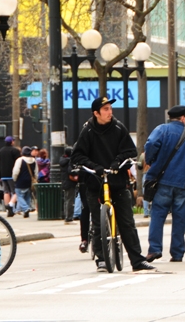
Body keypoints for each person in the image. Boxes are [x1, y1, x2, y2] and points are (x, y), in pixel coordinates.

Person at [70, 96, 155, 273]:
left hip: (118, 181)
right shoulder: (88, 131)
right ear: (96, 113)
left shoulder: (118, 127)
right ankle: (101, 259)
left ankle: (137, 261)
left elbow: (130, 151)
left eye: (110, 108)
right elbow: (77, 156)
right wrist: (95, 167)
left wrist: (118, 162)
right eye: (106, 109)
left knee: (127, 222)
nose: (110, 112)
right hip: (95, 183)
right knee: (98, 223)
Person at [144, 105, 185, 263]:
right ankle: (177, 253)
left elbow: (151, 144)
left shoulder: (162, 130)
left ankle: (154, 249)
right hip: (183, 184)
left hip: (163, 181)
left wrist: (150, 160)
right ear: (183, 118)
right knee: (180, 218)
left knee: (158, 215)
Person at [0, 136, 20, 217]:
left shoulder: (1, 151)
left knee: (6, 191)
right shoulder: (15, 151)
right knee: (15, 191)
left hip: (3, 174)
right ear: (12, 142)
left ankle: (8, 209)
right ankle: (10, 205)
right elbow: (18, 163)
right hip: (12, 174)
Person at [12, 146, 36, 218]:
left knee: (19, 196)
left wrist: (14, 179)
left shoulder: (20, 160)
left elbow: (16, 171)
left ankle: (26, 209)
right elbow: (36, 172)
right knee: (27, 196)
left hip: (20, 180)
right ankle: (26, 210)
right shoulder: (34, 160)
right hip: (29, 181)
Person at [60, 147, 77, 224]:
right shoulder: (70, 161)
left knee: (67, 199)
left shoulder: (62, 160)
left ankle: (66, 216)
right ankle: (69, 218)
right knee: (70, 200)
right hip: (70, 182)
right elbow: (71, 171)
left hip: (64, 182)